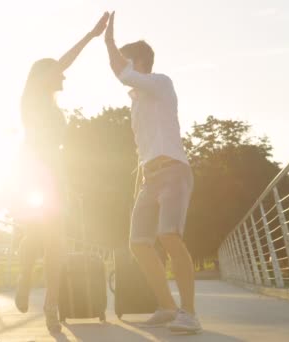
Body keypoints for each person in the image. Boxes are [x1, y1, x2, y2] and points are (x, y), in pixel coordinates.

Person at [104, 11, 202, 333]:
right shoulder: (136, 103)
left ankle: (189, 313)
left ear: (139, 62)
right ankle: (167, 306)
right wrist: (139, 183)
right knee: (138, 243)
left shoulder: (161, 83)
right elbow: (141, 149)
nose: (122, 65)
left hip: (174, 171)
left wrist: (109, 41)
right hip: (149, 176)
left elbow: (122, 73)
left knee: (169, 235)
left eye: (127, 60)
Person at [13, 12, 109, 334]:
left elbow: (59, 151)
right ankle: (26, 266)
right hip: (34, 173)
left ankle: (50, 305)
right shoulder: (31, 98)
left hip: (54, 174)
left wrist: (67, 181)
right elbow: (64, 62)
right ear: (46, 75)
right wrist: (91, 36)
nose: (65, 79)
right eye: (59, 75)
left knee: (57, 242)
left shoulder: (53, 108)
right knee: (44, 235)